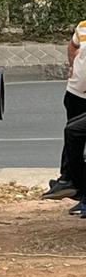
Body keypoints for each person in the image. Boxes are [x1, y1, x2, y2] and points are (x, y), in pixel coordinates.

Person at [41, 19, 86, 201]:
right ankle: (69, 180)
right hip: (76, 92)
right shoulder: (83, 26)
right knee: (72, 136)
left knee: (76, 135)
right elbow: (73, 47)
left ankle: (80, 191)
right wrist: (72, 66)